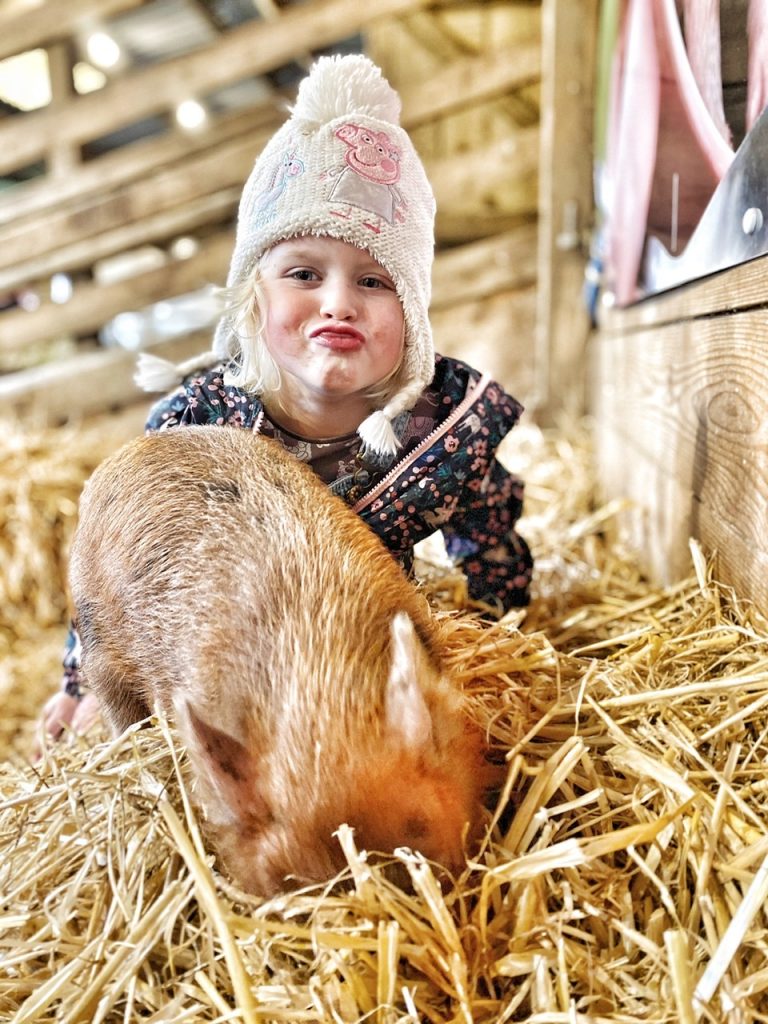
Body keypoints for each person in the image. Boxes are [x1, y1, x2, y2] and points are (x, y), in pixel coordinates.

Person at [39, 53, 533, 745]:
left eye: (374, 282)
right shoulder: (196, 428)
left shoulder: (438, 427)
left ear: (414, 317)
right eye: (304, 272)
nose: (337, 303)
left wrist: (499, 632)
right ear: (251, 296)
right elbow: (114, 562)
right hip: (227, 658)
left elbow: (489, 530)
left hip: (360, 666)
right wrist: (84, 679)